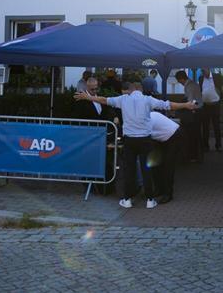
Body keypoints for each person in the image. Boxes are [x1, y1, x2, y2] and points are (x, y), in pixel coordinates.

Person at [75, 81, 195, 209]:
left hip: (130, 140)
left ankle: (127, 199)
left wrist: (88, 97)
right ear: (141, 90)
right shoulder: (148, 100)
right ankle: (150, 200)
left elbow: (104, 100)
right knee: (146, 170)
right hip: (145, 140)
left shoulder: (123, 99)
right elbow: (168, 105)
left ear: (130, 90)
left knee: (129, 170)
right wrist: (186, 105)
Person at [149, 111, 185, 204]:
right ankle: (159, 190)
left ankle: (168, 194)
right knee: (155, 163)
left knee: (168, 166)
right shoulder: (148, 115)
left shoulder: (147, 119)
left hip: (173, 136)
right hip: (161, 138)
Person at [174, 70, 204, 162]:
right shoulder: (192, 84)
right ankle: (197, 155)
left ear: (181, 79)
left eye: (179, 81)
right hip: (198, 110)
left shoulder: (190, 86)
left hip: (195, 112)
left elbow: (190, 102)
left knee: (193, 135)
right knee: (196, 134)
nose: (180, 83)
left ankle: (194, 156)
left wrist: (180, 108)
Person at [199, 68, 223, 152]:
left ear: (208, 69)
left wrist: (222, 98)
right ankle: (205, 145)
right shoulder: (200, 78)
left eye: (204, 71)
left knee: (216, 126)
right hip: (205, 105)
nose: (204, 73)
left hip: (215, 105)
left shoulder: (217, 76)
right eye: (202, 71)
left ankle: (218, 145)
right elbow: (201, 89)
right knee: (205, 126)